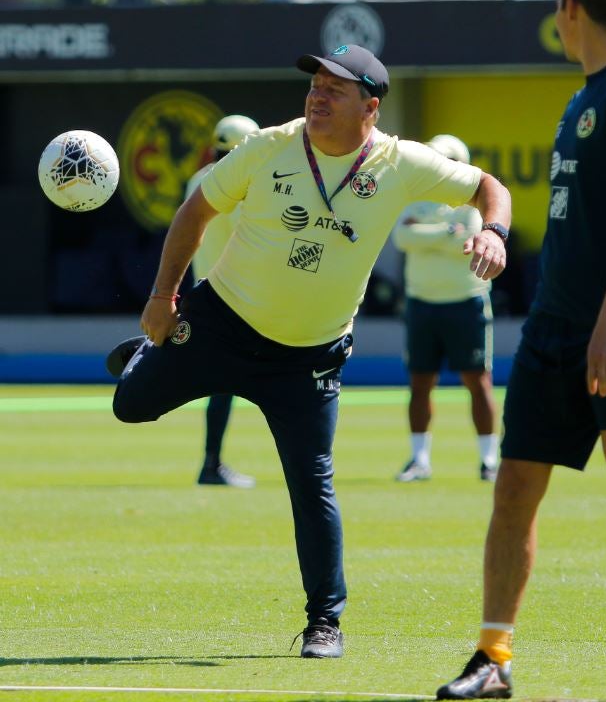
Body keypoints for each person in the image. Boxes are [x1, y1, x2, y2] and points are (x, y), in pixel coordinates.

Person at [108, 43, 511, 659]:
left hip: (309, 356)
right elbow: (196, 209)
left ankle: (325, 622)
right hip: (222, 324)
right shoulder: (268, 147)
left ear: (370, 109)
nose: (317, 96)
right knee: (128, 409)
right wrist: (163, 296)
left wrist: (493, 230)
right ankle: (150, 352)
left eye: (335, 90)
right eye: (315, 85)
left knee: (312, 484)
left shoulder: (399, 162)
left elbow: (490, 188)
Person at [437, 0, 606, 702]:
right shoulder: (587, 94)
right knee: (513, 488)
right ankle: (492, 659)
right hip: (551, 327)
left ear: (569, 7)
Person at [392, 134, 498, 483]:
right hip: (422, 303)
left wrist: (426, 233)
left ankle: (489, 460)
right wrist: (442, 232)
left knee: (477, 381)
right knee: (420, 382)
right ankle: (419, 460)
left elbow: (462, 241)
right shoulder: (416, 197)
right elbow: (402, 238)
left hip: (465, 302)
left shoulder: (472, 202)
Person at [188, 114, 260, 489]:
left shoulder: (196, 181)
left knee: (223, 381)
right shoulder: (240, 186)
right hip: (234, 294)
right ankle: (211, 463)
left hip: (203, 290)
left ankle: (212, 462)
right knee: (225, 383)